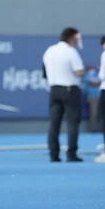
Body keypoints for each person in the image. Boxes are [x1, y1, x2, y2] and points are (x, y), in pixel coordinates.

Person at [42, 28, 84, 163]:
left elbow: (44, 72)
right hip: (69, 89)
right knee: (72, 123)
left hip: (54, 90)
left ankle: (53, 154)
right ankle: (71, 153)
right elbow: (79, 72)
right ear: (71, 39)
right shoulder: (71, 52)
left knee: (54, 123)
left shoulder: (49, 50)